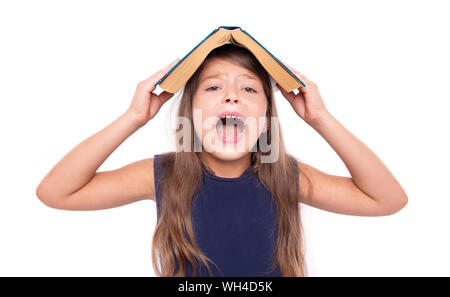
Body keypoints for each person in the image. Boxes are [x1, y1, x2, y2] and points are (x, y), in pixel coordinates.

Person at [36, 44, 408, 277]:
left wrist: (320, 118)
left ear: (266, 114)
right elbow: (56, 192)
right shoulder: (164, 174)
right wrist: (133, 117)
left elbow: (387, 200)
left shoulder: (287, 176)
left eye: (248, 88)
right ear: (190, 109)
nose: (231, 98)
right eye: (214, 87)